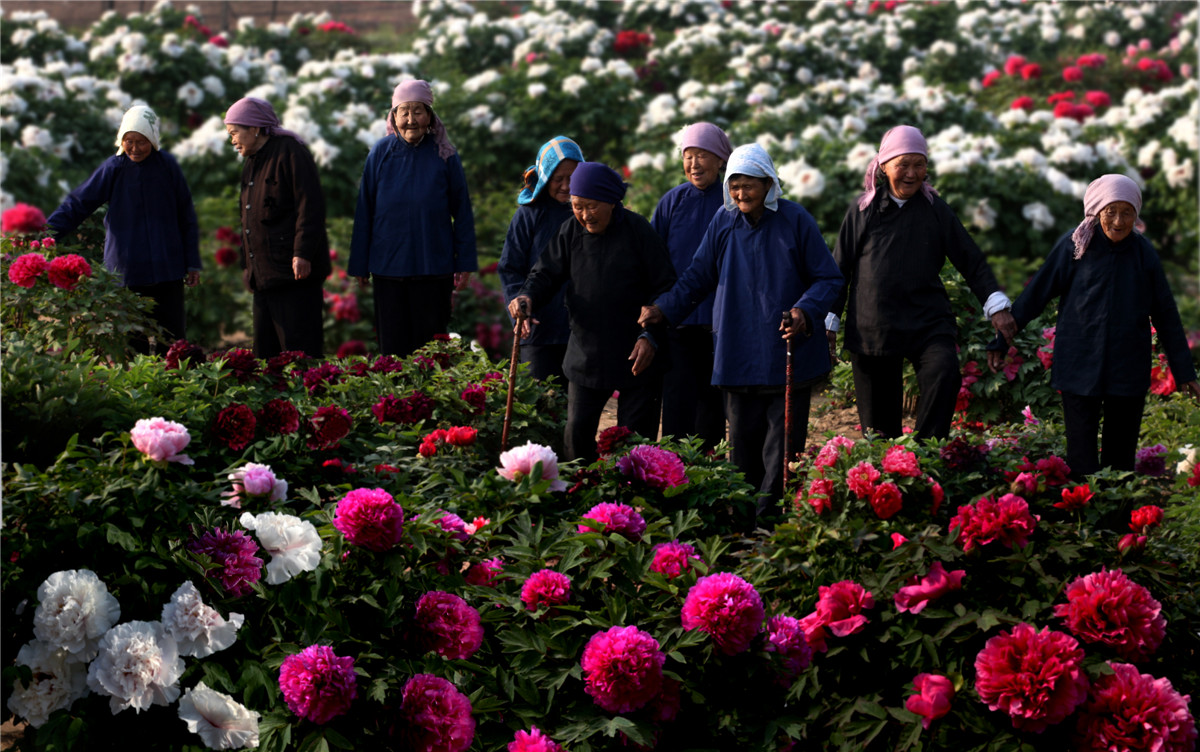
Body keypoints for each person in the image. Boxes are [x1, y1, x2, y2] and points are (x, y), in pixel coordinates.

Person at [640, 144, 844, 517]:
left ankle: (772, 524)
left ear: (769, 184)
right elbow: (698, 277)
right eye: (734, 186)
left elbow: (828, 278)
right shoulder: (724, 221)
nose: (740, 194)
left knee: (782, 447)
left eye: (749, 185)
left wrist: (804, 311)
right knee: (742, 444)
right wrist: (663, 309)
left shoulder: (795, 220)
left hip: (784, 351)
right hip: (737, 349)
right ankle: (743, 522)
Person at [987, 174, 1200, 476]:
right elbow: (1036, 295)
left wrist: (1184, 371)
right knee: (1080, 457)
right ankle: (1084, 517)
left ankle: (1117, 519)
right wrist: (1001, 339)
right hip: (1079, 363)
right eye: (1110, 211)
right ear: (1097, 210)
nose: (1118, 220)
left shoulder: (1143, 253)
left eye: (1127, 212)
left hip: (1127, 368)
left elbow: (1166, 314)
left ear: (1136, 215)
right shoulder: (1075, 246)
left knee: (1120, 458)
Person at [827, 125, 1017, 441]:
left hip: (926, 321)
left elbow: (970, 260)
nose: (912, 173)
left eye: (919, 164)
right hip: (874, 326)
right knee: (879, 430)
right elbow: (840, 268)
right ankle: (889, 473)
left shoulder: (935, 210)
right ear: (884, 165)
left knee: (943, 372)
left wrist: (995, 304)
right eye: (903, 164)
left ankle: (924, 454)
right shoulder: (864, 210)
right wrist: (828, 321)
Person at [508, 162, 676, 463]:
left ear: (612, 201)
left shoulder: (639, 232)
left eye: (592, 206)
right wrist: (527, 296)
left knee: (635, 446)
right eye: (577, 206)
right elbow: (545, 273)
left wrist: (650, 335)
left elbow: (665, 288)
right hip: (587, 351)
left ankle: (632, 505)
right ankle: (581, 499)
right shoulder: (571, 230)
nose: (585, 215)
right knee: (576, 435)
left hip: (637, 354)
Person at [46, 105, 201, 354]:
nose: (135, 148)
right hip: (128, 271)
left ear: (152, 139)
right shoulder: (114, 168)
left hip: (167, 268)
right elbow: (78, 203)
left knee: (172, 341)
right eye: (129, 141)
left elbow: (186, 215)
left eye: (142, 141)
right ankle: (138, 390)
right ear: (121, 140)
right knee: (133, 341)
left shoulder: (167, 166)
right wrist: (47, 234)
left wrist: (192, 262)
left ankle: (173, 389)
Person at [348, 80, 477, 358]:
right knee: (392, 350)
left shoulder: (445, 155)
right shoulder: (380, 153)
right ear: (393, 116)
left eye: (418, 111)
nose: (410, 120)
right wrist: (360, 263)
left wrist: (464, 261)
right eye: (403, 112)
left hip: (434, 267)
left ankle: (430, 401)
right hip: (388, 268)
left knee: (431, 349)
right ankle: (394, 400)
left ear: (430, 116)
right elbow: (364, 210)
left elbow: (462, 210)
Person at [224, 96, 330, 359]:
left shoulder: (291, 152)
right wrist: (248, 267)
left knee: (299, 353)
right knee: (265, 356)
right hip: (265, 276)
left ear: (255, 128)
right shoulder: (251, 162)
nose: (232, 141)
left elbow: (310, 205)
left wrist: (302, 253)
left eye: (235, 133)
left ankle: (307, 401)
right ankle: (274, 403)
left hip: (293, 274)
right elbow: (247, 216)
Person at [649, 122, 732, 451]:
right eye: (688, 156)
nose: (694, 164)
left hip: (720, 323)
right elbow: (655, 260)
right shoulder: (672, 202)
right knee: (678, 404)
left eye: (702, 156)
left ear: (721, 160)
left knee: (712, 407)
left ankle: (709, 480)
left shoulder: (732, 200)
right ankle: (673, 473)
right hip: (678, 322)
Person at [498, 136, 583, 384]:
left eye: (573, 178)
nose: (566, 186)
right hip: (539, 327)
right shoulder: (529, 214)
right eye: (558, 179)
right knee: (540, 404)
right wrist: (518, 307)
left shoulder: (587, 211)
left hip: (578, 330)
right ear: (545, 177)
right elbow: (510, 267)